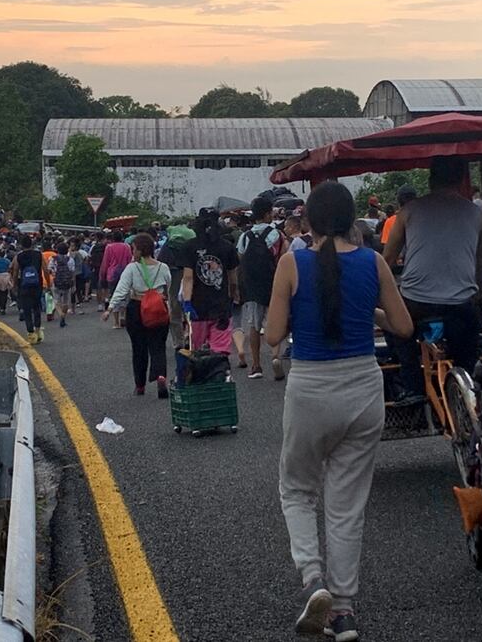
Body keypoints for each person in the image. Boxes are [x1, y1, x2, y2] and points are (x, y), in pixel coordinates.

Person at [266, 182, 412, 642]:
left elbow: (271, 336)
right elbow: (404, 326)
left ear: (307, 220)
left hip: (311, 385)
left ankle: (314, 581)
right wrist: (369, 314)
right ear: (354, 219)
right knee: (347, 507)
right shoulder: (372, 262)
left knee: (297, 489)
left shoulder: (292, 262)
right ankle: (344, 612)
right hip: (363, 387)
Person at [382, 156, 482, 399]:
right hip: (461, 305)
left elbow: (386, 260)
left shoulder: (408, 211)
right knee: (469, 348)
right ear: (462, 180)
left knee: (396, 327)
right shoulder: (477, 215)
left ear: (430, 179)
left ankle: (412, 385)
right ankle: (469, 388)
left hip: (416, 302)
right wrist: (478, 295)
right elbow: (481, 264)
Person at [104, 233, 172, 398]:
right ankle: (160, 376)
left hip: (137, 308)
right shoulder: (163, 267)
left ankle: (140, 385)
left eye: (133, 249)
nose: (132, 252)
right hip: (158, 308)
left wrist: (110, 308)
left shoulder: (132, 268)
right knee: (158, 346)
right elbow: (168, 287)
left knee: (139, 348)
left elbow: (122, 289)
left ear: (140, 250)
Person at [238, 195, 288, 380]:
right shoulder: (277, 234)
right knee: (275, 321)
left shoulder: (245, 236)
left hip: (252, 287)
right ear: (268, 214)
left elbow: (241, 260)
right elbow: (283, 257)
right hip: (273, 283)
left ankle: (256, 365)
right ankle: (275, 357)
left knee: (254, 325)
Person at [180, 208, 239, 356]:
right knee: (220, 351)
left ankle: (199, 378)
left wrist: (187, 302)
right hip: (221, 308)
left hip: (197, 307)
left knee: (197, 352)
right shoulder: (227, 247)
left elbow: (188, 278)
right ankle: (221, 376)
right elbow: (233, 279)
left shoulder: (189, 247)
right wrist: (233, 297)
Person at [11, 236, 45, 343]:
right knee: (36, 308)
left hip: (24, 285)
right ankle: (38, 330)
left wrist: (14, 285)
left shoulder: (19, 256)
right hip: (37, 284)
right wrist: (47, 283)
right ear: (32, 244)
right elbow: (46, 269)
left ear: (21, 245)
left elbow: (15, 271)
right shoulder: (38, 254)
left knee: (26, 310)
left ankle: (30, 333)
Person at [100, 230, 134, 329]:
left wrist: (103, 275)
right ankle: (124, 316)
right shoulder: (126, 246)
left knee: (114, 296)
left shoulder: (109, 247)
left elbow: (105, 262)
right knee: (125, 295)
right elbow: (129, 260)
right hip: (125, 273)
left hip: (112, 274)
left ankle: (116, 322)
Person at [49, 242, 76, 328]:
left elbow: (49, 270)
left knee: (56, 301)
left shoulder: (53, 259)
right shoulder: (70, 260)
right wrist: (73, 284)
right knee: (66, 301)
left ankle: (61, 314)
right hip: (67, 282)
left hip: (56, 282)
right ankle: (63, 315)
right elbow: (72, 272)